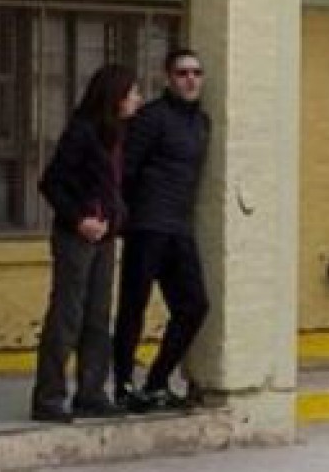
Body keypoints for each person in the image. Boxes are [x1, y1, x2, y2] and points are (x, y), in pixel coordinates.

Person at [31, 64, 140, 423]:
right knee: (67, 314)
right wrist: (80, 219)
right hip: (77, 234)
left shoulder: (118, 135)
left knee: (97, 314)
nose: (137, 99)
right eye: (132, 92)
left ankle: (91, 392)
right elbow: (51, 182)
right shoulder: (82, 133)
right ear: (115, 97)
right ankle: (48, 396)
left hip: (105, 233)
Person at [112, 48, 212, 414]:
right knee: (133, 306)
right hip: (146, 225)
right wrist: (127, 215)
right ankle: (123, 385)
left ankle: (156, 382)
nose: (191, 80)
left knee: (194, 305)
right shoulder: (151, 117)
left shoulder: (201, 122)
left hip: (179, 227)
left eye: (197, 73)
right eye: (183, 73)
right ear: (168, 77)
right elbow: (127, 170)